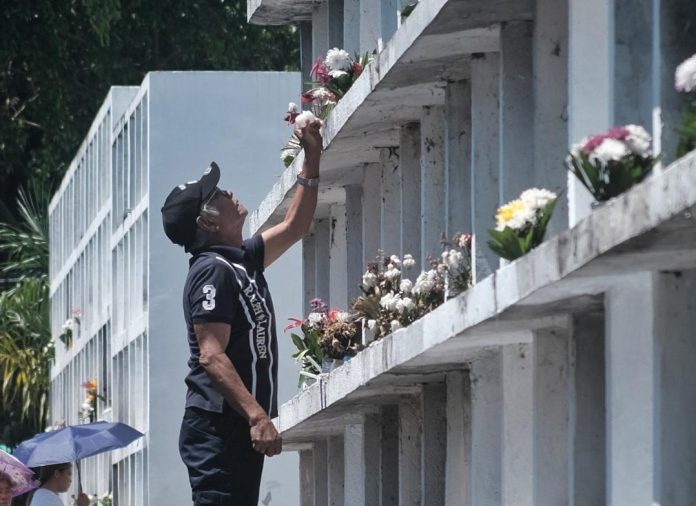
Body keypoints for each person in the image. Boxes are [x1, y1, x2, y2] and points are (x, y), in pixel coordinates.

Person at [161, 117, 323, 505]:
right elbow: (211, 354)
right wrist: (256, 416)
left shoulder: (240, 259)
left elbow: (295, 225)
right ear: (206, 222)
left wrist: (311, 157)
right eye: (214, 195)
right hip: (219, 428)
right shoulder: (211, 272)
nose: (226, 192)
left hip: (236, 426)